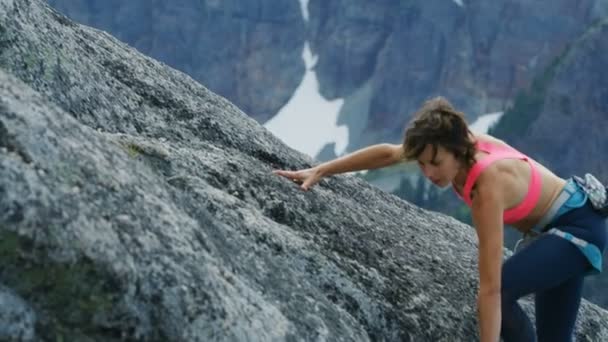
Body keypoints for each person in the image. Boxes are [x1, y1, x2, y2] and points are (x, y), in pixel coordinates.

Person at [272, 97, 607, 342]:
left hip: (577, 229)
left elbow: (491, 290)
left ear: (457, 150)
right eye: (421, 164)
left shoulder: (487, 187)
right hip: (562, 228)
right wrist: (321, 169)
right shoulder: (449, 145)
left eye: (435, 162)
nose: (428, 173)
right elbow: (389, 153)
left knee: (503, 291)